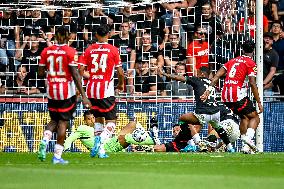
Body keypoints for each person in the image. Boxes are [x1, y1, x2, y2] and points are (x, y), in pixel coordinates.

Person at [37, 26, 91, 164]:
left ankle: (45, 140)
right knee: (63, 123)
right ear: (67, 36)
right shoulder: (70, 51)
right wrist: (84, 96)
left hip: (51, 91)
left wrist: (52, 71)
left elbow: (41, 73)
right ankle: (57, 157)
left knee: (53, 120)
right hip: (66, 92)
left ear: (55, 36)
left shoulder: (46, 51)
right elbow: (75, 75)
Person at [201, 40, 263, 153]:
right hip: (237, 95)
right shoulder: (251, 63)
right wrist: (258, 101)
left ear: (242, 50)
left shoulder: (232, 61)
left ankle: (245, 147)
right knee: (255, 117)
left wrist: (208, 90)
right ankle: (248, 139)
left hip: (225, 96)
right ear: (253, 51)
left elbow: (216, 76)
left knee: (244, 117)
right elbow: (253, 83)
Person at [159, 66, 235, 152]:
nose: (196, 74)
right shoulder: (212, 83)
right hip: (216, 112)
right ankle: (230, 148)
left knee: (183, 119)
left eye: (198, 72)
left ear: (202, 73)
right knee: (218, 128)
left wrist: (165, 74)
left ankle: (193, 143)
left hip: (204, 112)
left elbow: (179, 77)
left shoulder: (197, 80)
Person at [79, 25, 124, 158]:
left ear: (96, 35)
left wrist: (92, 77)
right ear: (108, 35)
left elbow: (80, 70)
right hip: (105, 91)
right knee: (112, 122)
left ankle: (100, 151)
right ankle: (100, 142)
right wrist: (121, 84)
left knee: (98, 119)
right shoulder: (113, 50)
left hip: (91, 90)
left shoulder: (89, 49)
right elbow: (120, 72)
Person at [64, 111, 159, 154]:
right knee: (126, 137)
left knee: (133, 124)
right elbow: (71, 137)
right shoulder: (83, 128)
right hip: (106, 148)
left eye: (93, 118)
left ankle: (150, 143)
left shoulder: (99, 127)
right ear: (85, 121)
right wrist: (66, 149)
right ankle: (152, 141)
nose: (92, 120)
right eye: (89, 119)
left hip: (111, 143)